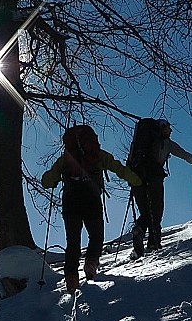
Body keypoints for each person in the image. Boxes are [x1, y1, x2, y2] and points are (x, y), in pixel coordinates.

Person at [42, 125, 141, 294]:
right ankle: (90, 263)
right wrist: (136, 181)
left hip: (70, 200)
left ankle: (72, 277)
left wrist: (54, 180)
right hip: (91, 199)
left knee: (72, 240)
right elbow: (118, 168)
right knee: (96, 235)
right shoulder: (98, 155)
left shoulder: (66, 158)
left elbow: (47, 181)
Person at [129, 118, 192, 258]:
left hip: (137, 178)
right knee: (156, 212)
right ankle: (153, 244)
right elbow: (184, 154)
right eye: (168, 127)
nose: (171, 130)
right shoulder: (166, 143)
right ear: (162, 128)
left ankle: (139, 229)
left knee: (145, 213)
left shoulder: (141, 142)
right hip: (154, 179)